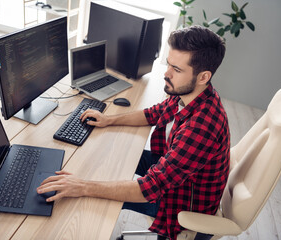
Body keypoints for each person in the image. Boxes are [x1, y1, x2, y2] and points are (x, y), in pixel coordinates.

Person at [37, 25, 230, 240]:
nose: (166, 74)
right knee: (112, 154)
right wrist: (109, 120)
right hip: (174, 175)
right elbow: (154, 113)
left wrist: (83, 186)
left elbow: (149, 188)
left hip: (180, 207)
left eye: (176, 69)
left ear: (203, 77)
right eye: (168, 64)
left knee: (89, 195)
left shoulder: (202, 128)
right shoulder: (189, 92)